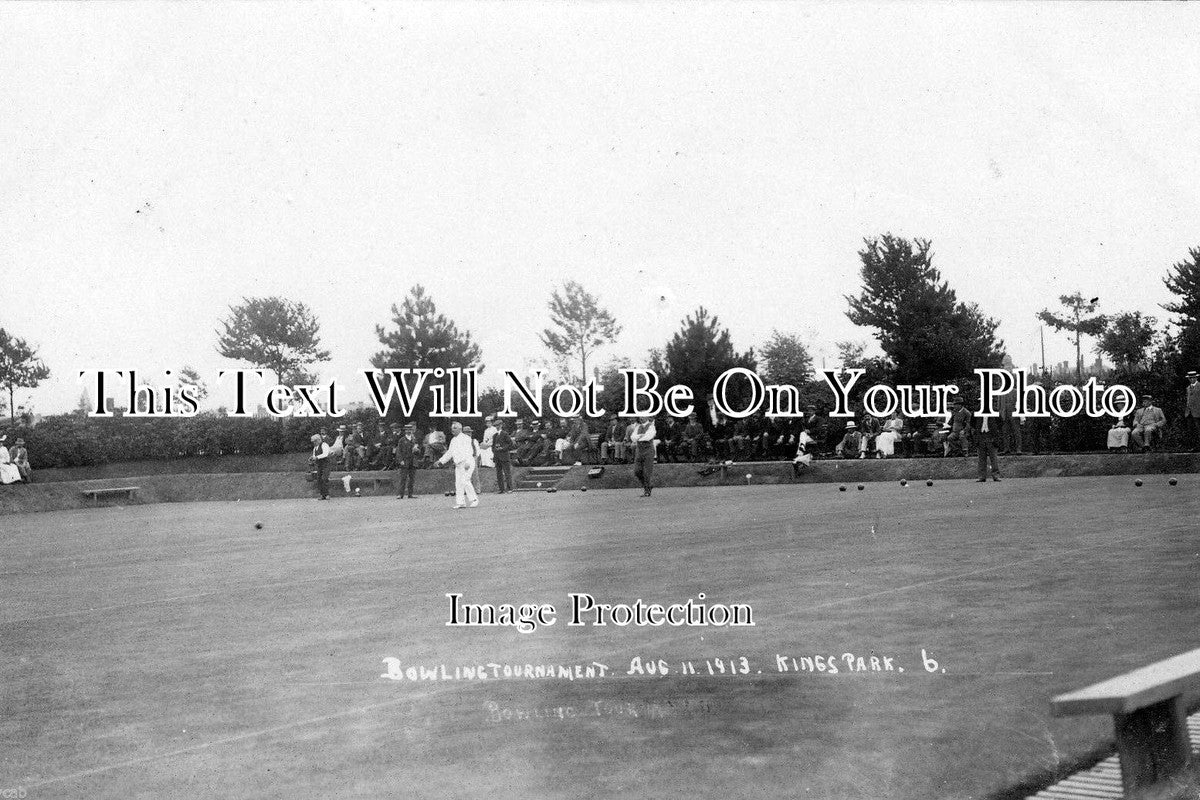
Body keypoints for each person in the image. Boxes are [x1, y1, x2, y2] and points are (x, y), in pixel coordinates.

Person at [437, 422, 479, 509]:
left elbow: (469, 451)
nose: (453, 429)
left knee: (465, 481)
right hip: (458, 464)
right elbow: (450, 453)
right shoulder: (453, 440)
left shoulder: (466, 438)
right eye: (452, 428)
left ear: (460, 429)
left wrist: (467, 462)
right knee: (459, 483)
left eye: (455, 428)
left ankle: (474, 500)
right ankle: (461, 502)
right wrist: (440, 461)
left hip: (467, 462)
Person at [630, 414, 657, 497]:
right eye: (640, 416)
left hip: (648, 450)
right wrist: (639, 436)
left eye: (643, 416)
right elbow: (632, 437)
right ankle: (648, 485)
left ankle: (647, 489)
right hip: (639, 450)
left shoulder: (651, 426)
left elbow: (648, 437)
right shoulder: (638, 427)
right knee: (637, 471)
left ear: (647, 417)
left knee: (647, 471)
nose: (641, 418)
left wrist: (638, 437)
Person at [972, 412, 1001, 482]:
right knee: (981, 458)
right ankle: (982, 476)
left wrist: (995, 432)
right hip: (981, 436)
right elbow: (972, 422)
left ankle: (996, 476)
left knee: (993, 457)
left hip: (991, 437)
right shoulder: (977, 411)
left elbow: (1000, 422)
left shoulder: (994, 411)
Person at [394, 423, 420, 499]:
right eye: (407, 430)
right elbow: (399, 451)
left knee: (412, 478)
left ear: (412, 430)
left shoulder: (414, 439)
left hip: (413, 461)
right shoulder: (402, 440)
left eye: (410, 429)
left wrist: (417, 450)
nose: (409, 431)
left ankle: (410, 494)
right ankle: (400, 494)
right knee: (403, 478)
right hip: (405, 460)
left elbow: (418, 451)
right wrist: (400, 460)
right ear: (405, 431)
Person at [492, 419, 514, 493]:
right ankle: (501, 489)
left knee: (507, 472)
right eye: (496, 426)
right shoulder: (495, 435)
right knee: (499, 473)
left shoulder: (505, 434)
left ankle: (510, 488)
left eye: (498, 425)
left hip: (504, 456)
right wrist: (494, 453)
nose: (497, 427)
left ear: (501, 425)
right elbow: (493, 446)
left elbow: (510, 444)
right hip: (497, 456)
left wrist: (503, 448)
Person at [309, 433, 331, 500]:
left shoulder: (324, 445)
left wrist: (317, 457)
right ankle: (322, 495)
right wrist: (312, 458)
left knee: (324, 479)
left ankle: (327, 494)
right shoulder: (315, 448)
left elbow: (325, 454)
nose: (314, 443)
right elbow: (314, 456)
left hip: (326, 465)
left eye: (314, 441)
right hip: (319, 465)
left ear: (318, 440)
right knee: (319, 480)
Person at [1185, 371, 1200, 451]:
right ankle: (1193, 447)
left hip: (1198, 412)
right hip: (1189, 413)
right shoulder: (1188, 388)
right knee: (1190, 430)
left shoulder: (1199, 386)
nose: (1191, 379)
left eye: (1193, 377)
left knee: (1198, 430)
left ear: (1196, 378)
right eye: (1190, 378)